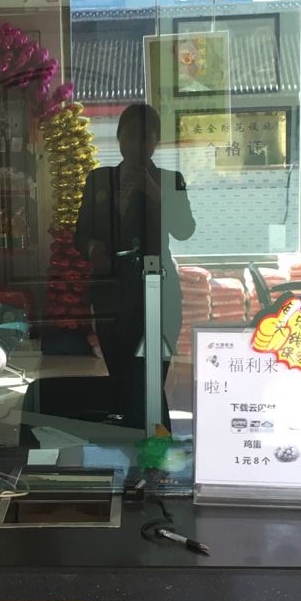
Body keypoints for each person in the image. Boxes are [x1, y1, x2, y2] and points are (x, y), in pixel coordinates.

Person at [74, 103, 195, 428]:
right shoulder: (99, 179)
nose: (136, 145)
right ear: (119, 138)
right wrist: (92, 248)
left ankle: (155, 444)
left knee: (151, 380)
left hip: (159, 293)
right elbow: (80, 233)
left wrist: (154, 192)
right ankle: (134, 444)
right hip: (111, 293)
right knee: (121, 379)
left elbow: (185, 230)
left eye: (145, 137)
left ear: (156, 141)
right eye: (129, 136)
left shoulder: (171, 179)